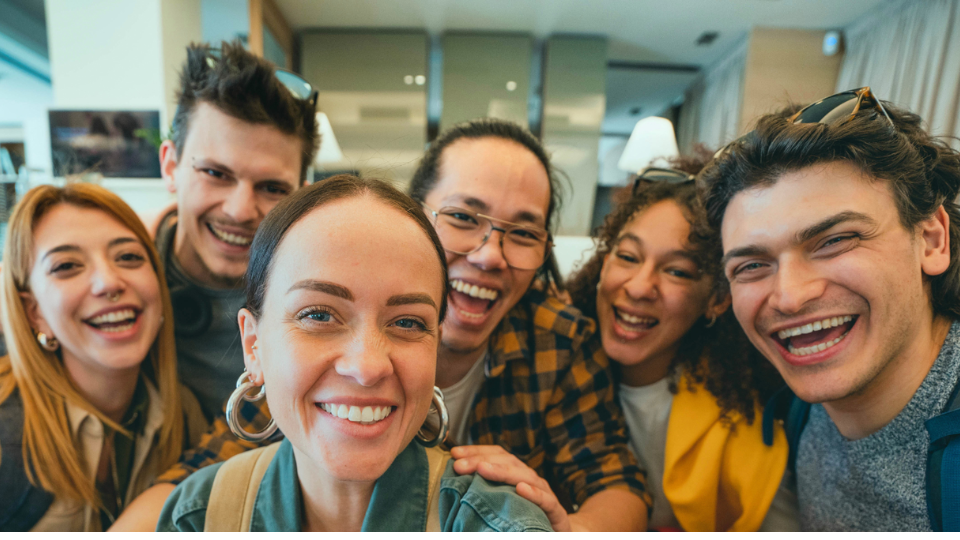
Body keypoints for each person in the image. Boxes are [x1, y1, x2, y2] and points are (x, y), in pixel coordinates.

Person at [122, 118, 648, 532]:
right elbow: (222, 472)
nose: (490, 256)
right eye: (464, 218)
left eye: (524, 233)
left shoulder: (558, 339)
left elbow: (616, 481)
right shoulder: (298, 360)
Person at [157, 175, 552, 532]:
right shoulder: (198, 516)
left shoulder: (497, 525)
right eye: (318, 315)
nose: (367, 366)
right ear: (253, 345)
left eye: (408, 322)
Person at [699, 88, 960, 531]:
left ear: (932, 240)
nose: (789, 297)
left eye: (835, 241)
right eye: (752, 265)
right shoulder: (792, 414)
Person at [566, 168, 795, 531]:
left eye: (677, 272)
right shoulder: (548, 365)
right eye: (628, 256)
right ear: (604, 263)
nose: (639, 287)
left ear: (717, 299)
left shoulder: (739, 430)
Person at [0, 183, 205, 531]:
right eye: (67, 265)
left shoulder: (184, 414)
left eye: (128, 257)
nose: (109, 283)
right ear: (35, 313)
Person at [147, 40, 319, 420]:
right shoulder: (110, 286)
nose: (240, 211)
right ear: (171, 166)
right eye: (215, 173)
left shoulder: (321, 304)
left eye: (272, 188)